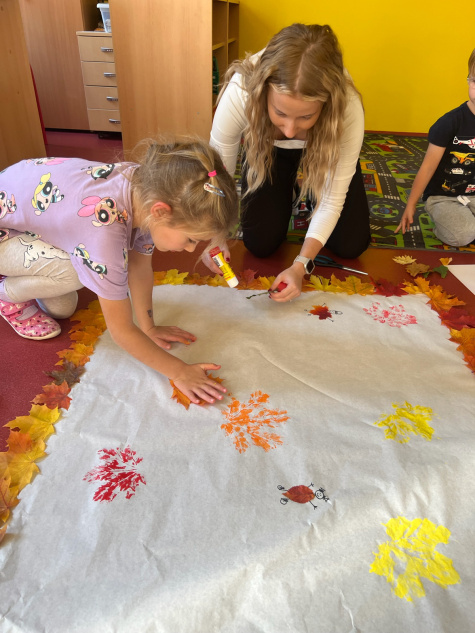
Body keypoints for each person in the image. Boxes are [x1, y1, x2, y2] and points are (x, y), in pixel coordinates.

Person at [0, 138, 239, 405]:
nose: (190, 249)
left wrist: (149, 327)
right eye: (191, 239)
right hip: (6, 231)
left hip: (27, 208)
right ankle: (6, 296)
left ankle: (23, 274)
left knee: (63, 309)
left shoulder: (151, 190)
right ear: (160, 212)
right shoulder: (103, 232)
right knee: (74, 273)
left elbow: (139, 266)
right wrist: (179, 371)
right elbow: (122, 331)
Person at [209, 23, 370, 303]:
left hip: (324, 150)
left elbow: (333, 201)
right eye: (280, 113)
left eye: (306, 117)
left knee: (351, 245)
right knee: (260, 244)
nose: (290, 130)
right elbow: (217, 174)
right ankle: (290, 188)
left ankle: (310, 188)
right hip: (267, 150)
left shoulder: (347, 106)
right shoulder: (241, 91)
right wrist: (215, 235)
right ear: (263, 94)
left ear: (326, 106)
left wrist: (301, 265)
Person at [396, 49, 475, 246]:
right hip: (444, 197)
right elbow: (428, 167)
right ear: (468, 80)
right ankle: (445, 223)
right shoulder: (449, 123)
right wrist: (411, 204)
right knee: (462, 235)